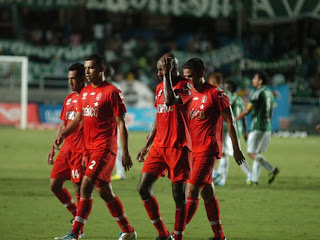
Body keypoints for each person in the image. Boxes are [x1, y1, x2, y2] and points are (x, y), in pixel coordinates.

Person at [54, 54, 137, 240]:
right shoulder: (84, 93)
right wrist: (63, 135)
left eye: (91, 68)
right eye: (86, 68)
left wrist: (125, 153)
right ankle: (128, 230)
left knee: (86, 185)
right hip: (88, 148)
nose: (87, 72)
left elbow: (121, 123)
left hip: (105, 148)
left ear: (101, 69)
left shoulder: (112, 92)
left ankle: (74, 234)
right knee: (105, 192)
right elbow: (78, 119)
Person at [182, 58, 245, 240]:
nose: (188, 80)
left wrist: (236, 147)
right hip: (191, 150)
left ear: (201, 73)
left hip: (208, 149)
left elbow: (230, 121)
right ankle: (219, 236)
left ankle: (177, 233)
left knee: (192, 190)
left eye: (191, 76)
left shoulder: (216, 94)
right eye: (185, 77)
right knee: (207, 191)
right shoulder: (187, 94)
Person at [136, 53, 193, 240]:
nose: (159, 73)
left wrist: (168, 76)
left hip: (178, 146)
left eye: (163, 69)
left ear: (173, 69)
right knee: (143, 188)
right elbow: (158, 115)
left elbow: (170, 100)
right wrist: (147, 144)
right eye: (159, 70)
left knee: (178, 195)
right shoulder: (160, 86)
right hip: (159, 147)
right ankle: (163, 234)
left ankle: (178, 236)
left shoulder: (186, 85)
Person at [47, 63, 86, 239]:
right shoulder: (69, 98)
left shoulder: (88, 98)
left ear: (82, 79)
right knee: (55, 185)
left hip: (80, 150)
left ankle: (78, 231)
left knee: (78, 187)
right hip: (66, 149)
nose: (70, 82)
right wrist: (54, 145)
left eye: (73, 78)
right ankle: (77, 215)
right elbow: (63, 123)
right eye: (68, 78)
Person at [235, 71, 279, 185]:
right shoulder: (270, 93)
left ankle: (272, 169)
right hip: (267, 127)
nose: (252, 81)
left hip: (257, 126)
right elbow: (271, 112)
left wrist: (235, 119)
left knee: (251, 153)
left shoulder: (257, 93)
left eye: (254, 79)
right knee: (257, 154)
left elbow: (247, 110)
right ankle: (254, 179)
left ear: (260, 81)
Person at [207, 74, 251, 186]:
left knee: (225, 153)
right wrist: (245, 131)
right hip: (235, 129)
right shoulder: (239, 100)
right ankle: (219, 175)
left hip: (226, 129)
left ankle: (220, 177)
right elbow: (244, 116)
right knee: (227, 153)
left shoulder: (226, 96)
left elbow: (223, 113)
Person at [104, 65, 125, 181]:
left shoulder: (113, 87)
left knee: (116, 146)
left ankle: (120, 172)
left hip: (114, 121)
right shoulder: (109, 86)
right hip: (107, 122)